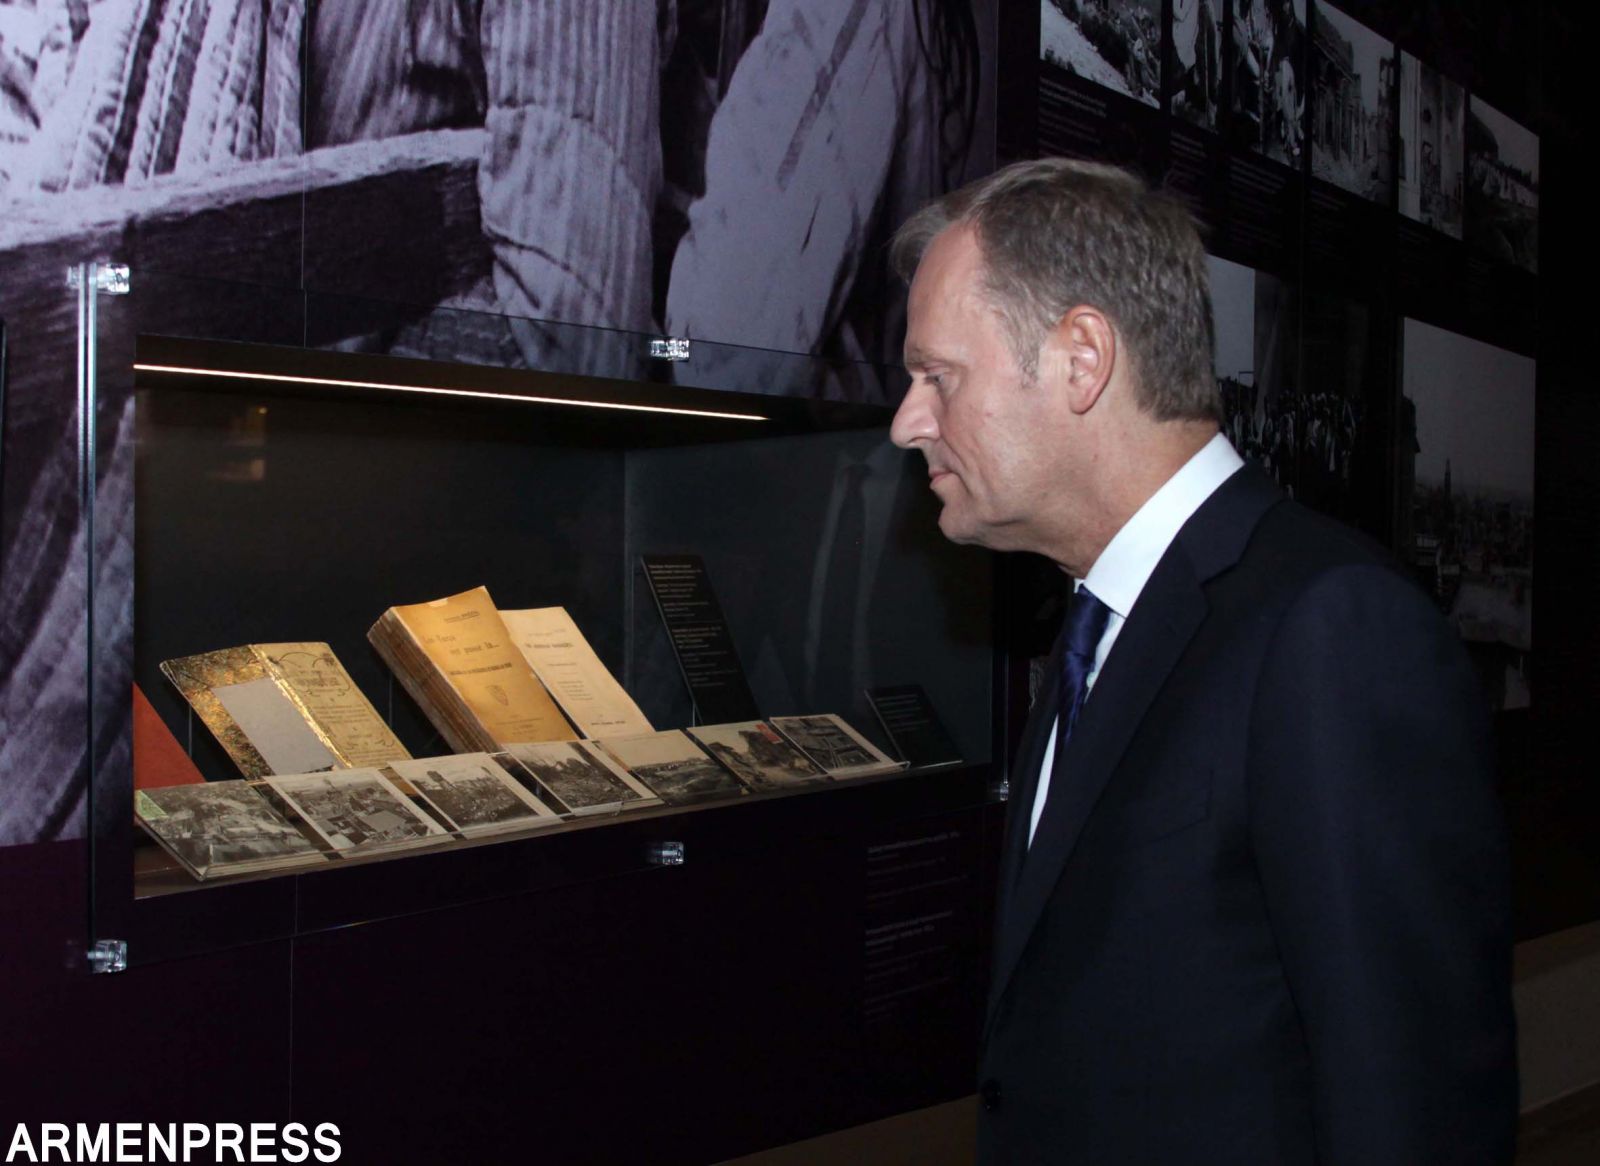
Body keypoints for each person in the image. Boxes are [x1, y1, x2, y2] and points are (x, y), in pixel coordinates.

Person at [888, 158, 1516, 1164]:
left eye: (937, 376)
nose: (907, 422)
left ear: (1081, 359)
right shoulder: (1098, 621)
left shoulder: (1331, 628)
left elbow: (1414, 1096)